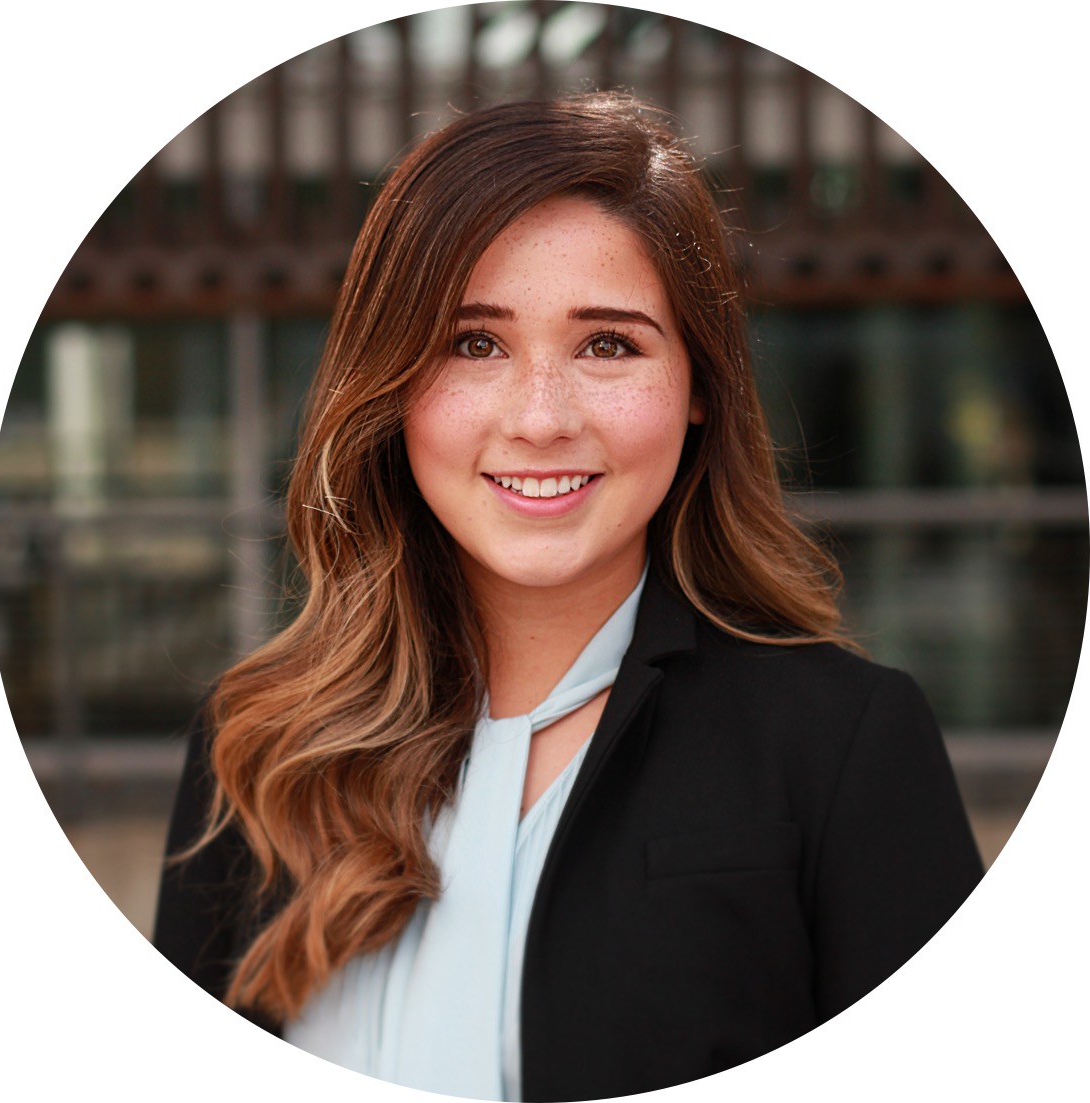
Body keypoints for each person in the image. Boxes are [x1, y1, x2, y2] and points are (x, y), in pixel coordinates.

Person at [154, 93, 983, 1101]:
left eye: (607, 344)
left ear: (696, 391)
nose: (539, 417)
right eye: (473, 342)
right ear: (388, 386)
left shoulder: (842, 746)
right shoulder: (257, 742)